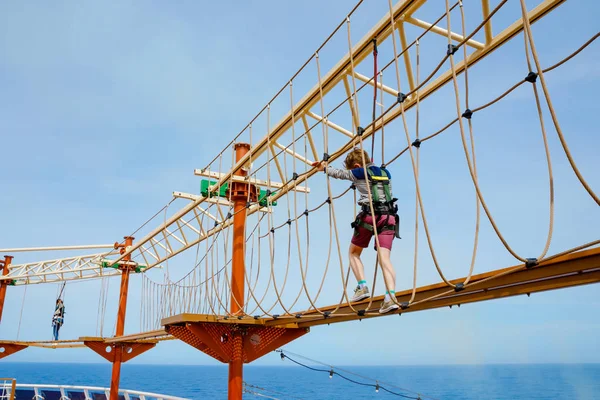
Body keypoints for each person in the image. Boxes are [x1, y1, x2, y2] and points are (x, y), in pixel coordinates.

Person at [313, 148, 400, 314]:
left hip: (370, 216)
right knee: (385, 258)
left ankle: (362, 287)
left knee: (353, 253)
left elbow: (340, 174)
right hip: (389, 217)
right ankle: (391, 297)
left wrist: (323, 168)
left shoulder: (359, 172)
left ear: (358, 165)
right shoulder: (385, 172)